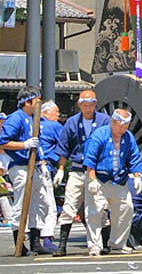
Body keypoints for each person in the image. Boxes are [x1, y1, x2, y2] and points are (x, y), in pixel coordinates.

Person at [54, 89, 110, 257]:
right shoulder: (72, 122)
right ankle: (62, 245)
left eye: (90, 105)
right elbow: (64, 147)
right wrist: (61, 169)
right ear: (79, 105)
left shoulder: (104, 120)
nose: (87, 109)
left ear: (95, 104)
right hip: (77, 168)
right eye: (84, 105)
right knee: (69, 205)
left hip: (97, 170)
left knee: (97, 207)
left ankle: (105, 243)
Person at [83, 108, 142, 257]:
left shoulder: (128, 137)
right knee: (94, 212)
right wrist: (91, 179)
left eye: (126, 126)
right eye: (121, 126)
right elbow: (90, 158)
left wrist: (137, 176)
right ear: (112, 122)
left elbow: (134, 157)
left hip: (119, 179)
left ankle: (118, 243)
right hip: (99, 178)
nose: (124, 129)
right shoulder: (99, 135)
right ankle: (94, 246)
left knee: (126, 208)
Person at [0, 86, 50, 256]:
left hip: (34, 165)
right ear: (28, 102)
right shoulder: (16, 118)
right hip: (20, 166)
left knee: (38, 203)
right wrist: (24, 145)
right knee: (21, 204)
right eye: (37, 100)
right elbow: (3, 142)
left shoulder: (34, 118)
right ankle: (19, 242)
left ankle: (35, 241)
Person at [39, 101, 62, 253]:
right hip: (45, 167)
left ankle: (33, 237)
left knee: (37, 206)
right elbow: (66, 143)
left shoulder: (32, 126)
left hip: (32, 166)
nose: (58, 115)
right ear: (46, 113)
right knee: (50, 207)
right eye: (56, 112)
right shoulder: (53, 126)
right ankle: (47, 238)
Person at [0, 112, 14, 227]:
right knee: (4, 195)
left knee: (6, 194)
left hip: (8, 168)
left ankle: (10, 217)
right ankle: (9, 217)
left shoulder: (8, 133)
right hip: (3, 168)